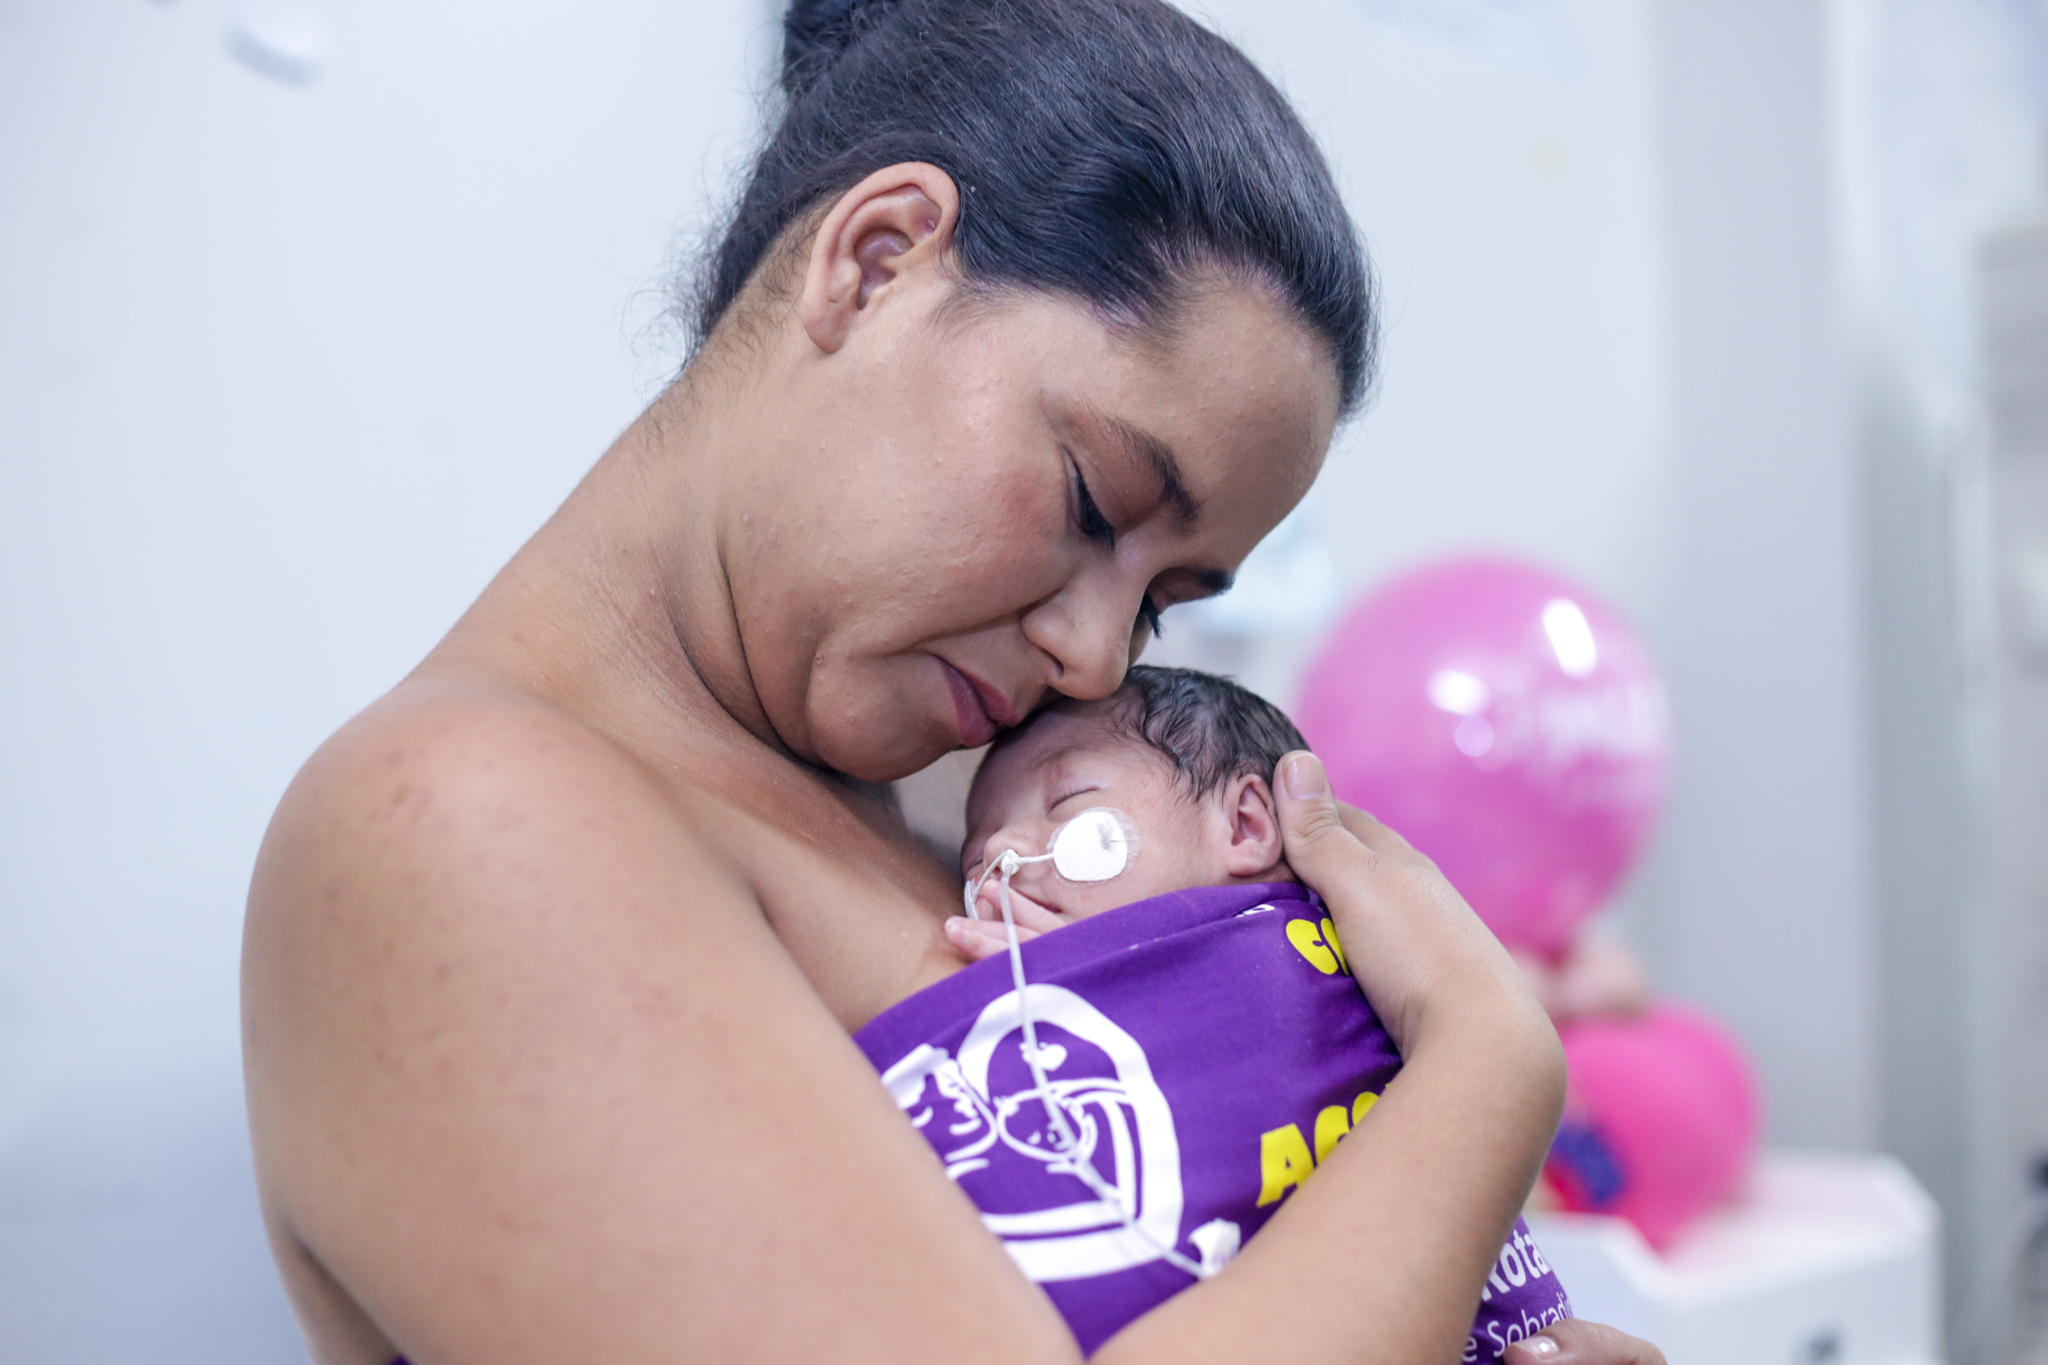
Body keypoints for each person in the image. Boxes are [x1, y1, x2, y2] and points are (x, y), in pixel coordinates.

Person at [240, 1, 1667, 1362]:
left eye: (1166, 603)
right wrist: (1485, 1070)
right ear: (876, 262)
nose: (1097, 657)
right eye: (1093, 500)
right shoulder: (457, 833)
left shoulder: (968, 819)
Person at [880, 665, 1572, 1360]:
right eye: (978, 852)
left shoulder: (1317, 953)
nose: (1000, 851)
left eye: (1068, 802)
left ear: (1245, 825)